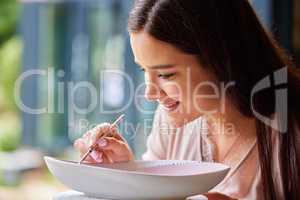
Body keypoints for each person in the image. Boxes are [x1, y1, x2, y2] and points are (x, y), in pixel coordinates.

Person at [74, 0, 300, 199]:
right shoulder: (171, 118)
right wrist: (126, 172)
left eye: (165, 74)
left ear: (220, 59)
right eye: (144, 69)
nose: (150, 93)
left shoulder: (290, 135)